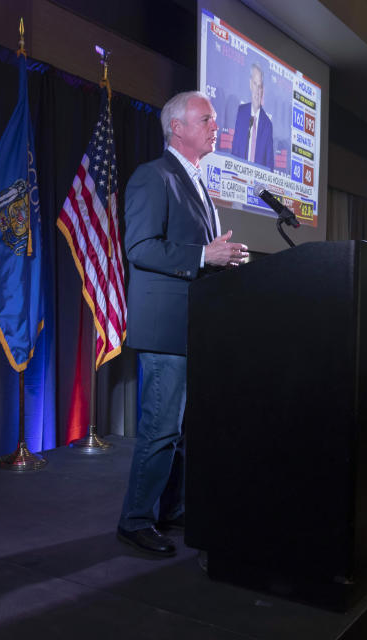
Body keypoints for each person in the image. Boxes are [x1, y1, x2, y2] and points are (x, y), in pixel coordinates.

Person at [117, 91, 249, 557]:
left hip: (195, 329)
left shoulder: (195, 181)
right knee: (160, 429)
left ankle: (170, 509)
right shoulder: (153, 177)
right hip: (166, 330)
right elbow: (140, 247)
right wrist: (203, 255)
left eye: (214, 118)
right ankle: (135, 519)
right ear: (178, 127)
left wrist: (222, 259)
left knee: (181, 431)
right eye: (207, 118)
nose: (217, 125)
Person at [229, 63, 274, 171]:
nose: (257, 90)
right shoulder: (240, 112)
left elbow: (269, 164)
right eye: (255, 84)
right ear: (250, 84)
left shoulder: (267, 124)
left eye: (260, 86)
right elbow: (233, 149)